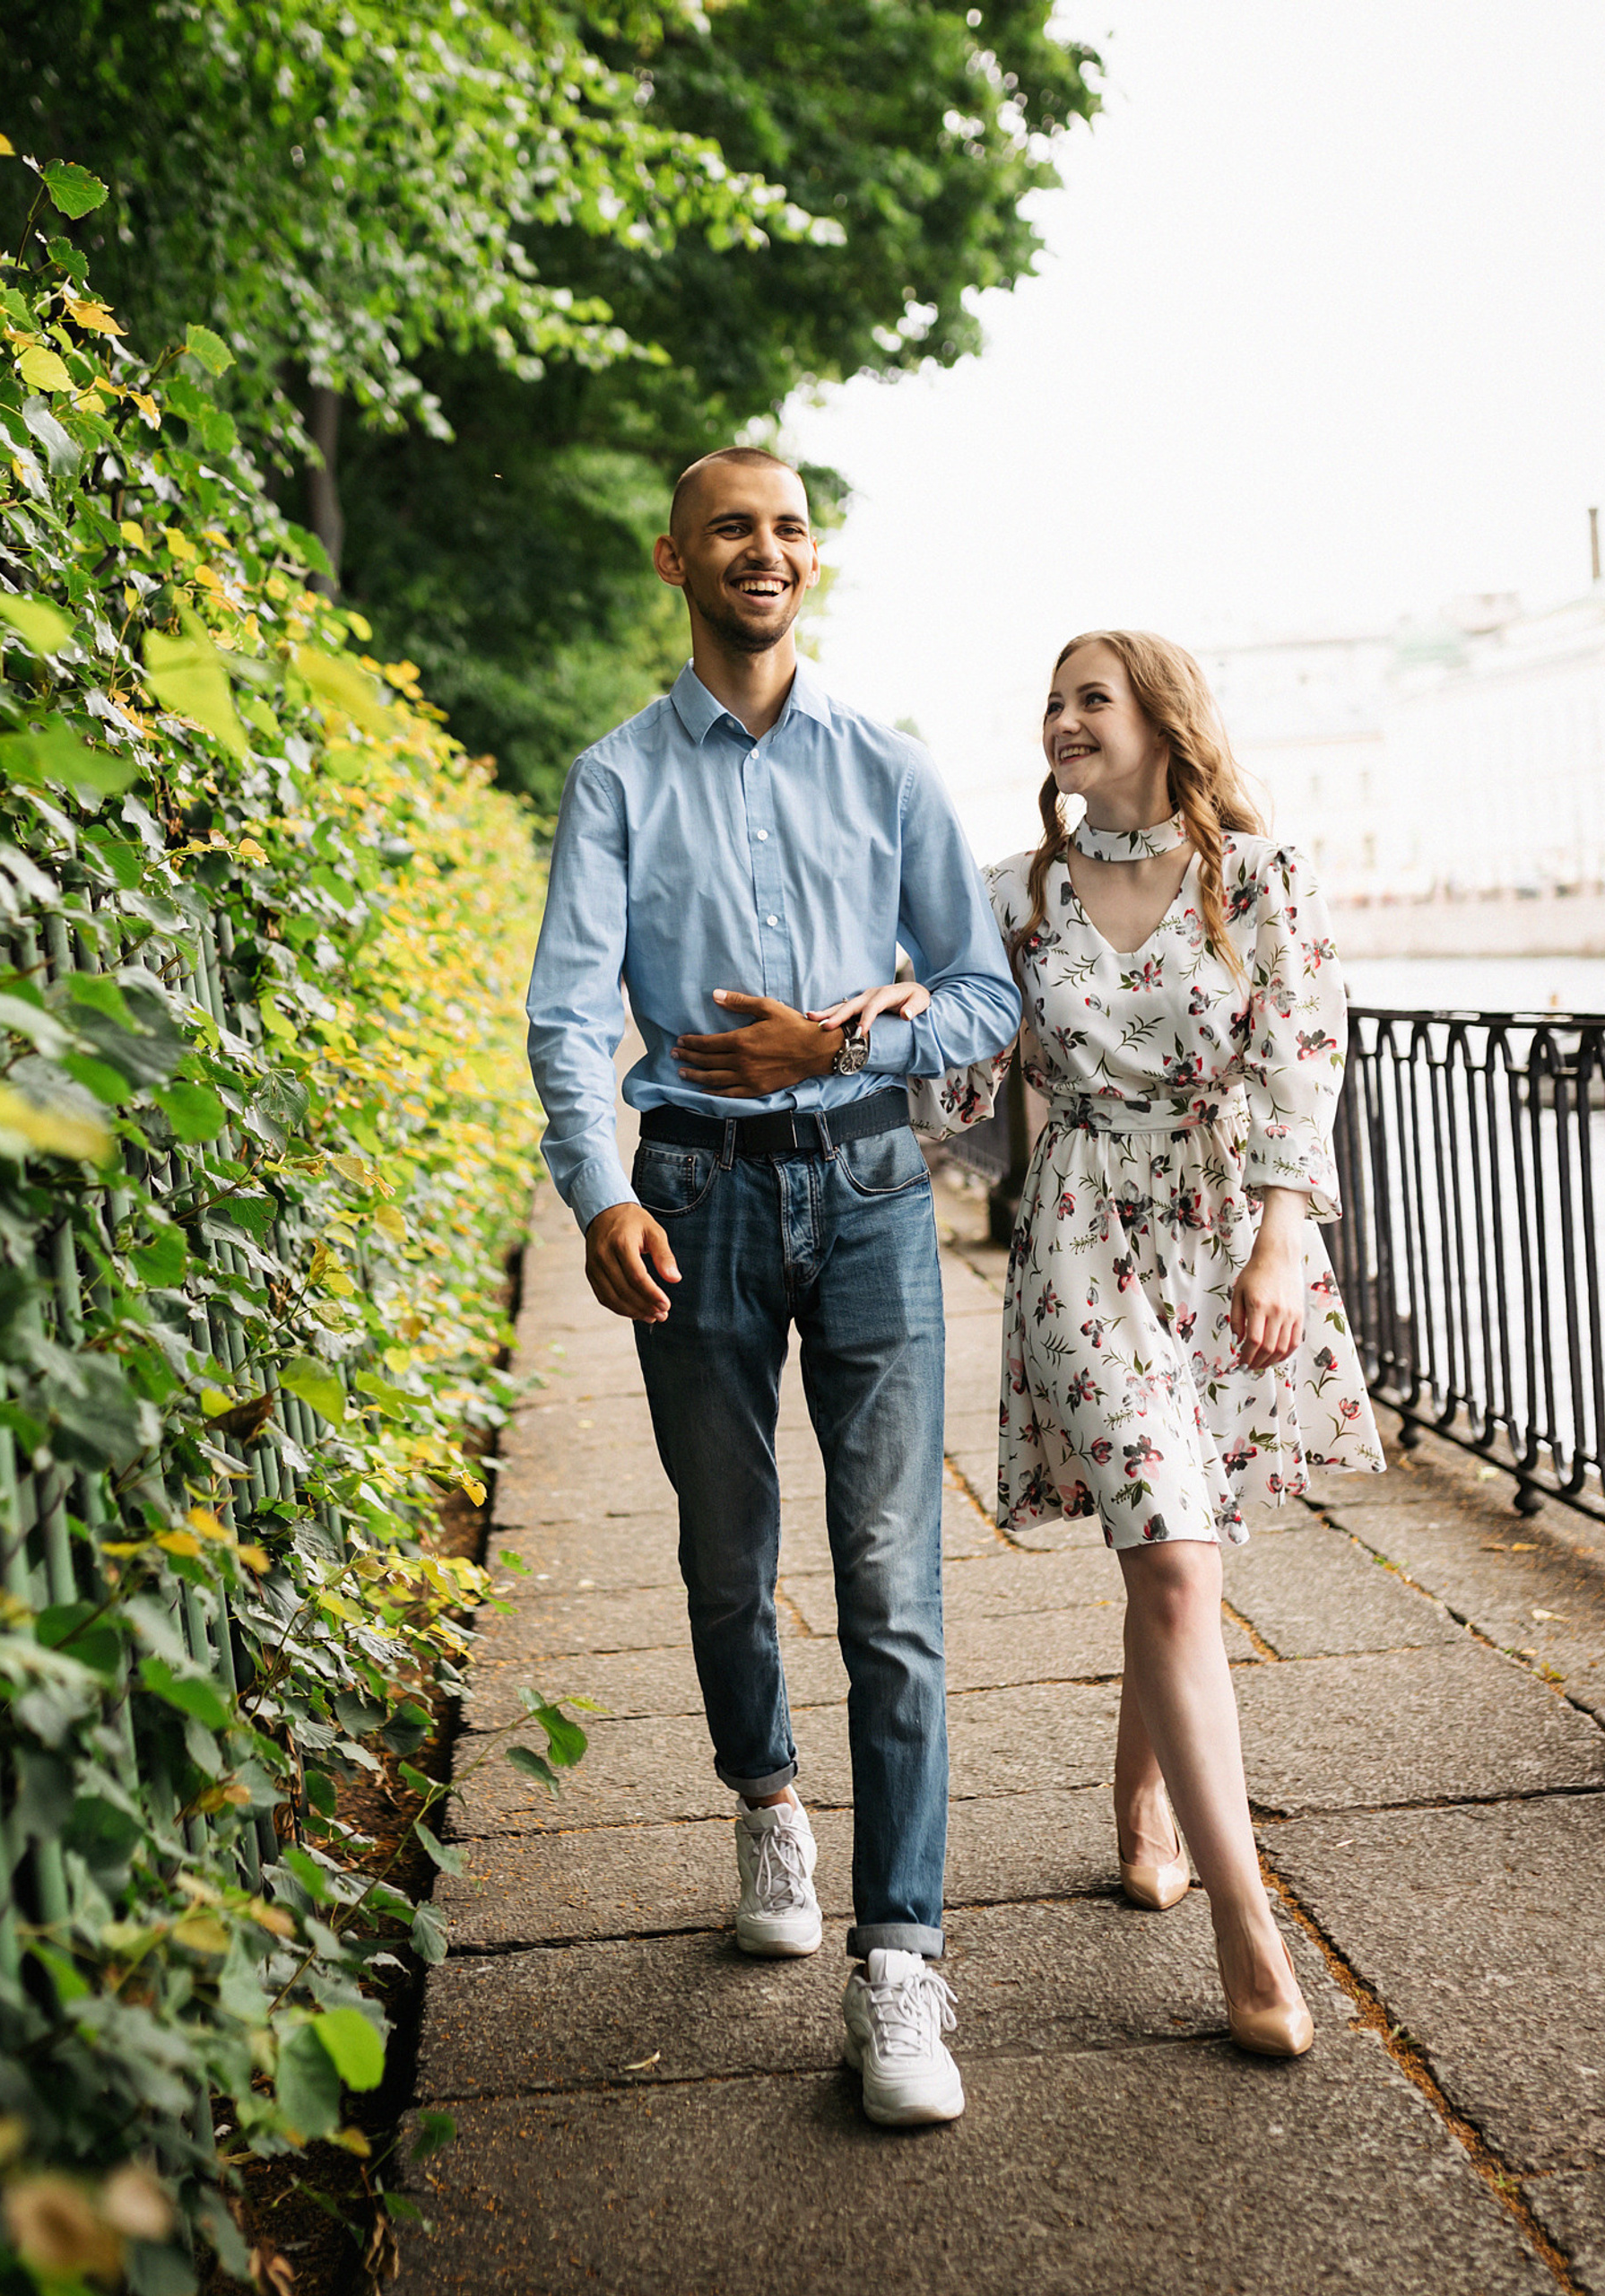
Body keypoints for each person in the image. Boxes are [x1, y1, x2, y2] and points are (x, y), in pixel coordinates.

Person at [525, 448, 1019, 2126]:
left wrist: (845, 1042)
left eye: (790, 527)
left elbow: (982, 993)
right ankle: (766, 1799)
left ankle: (902, 1963)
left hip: (872, 1190)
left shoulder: (890, 765)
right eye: (734, 527)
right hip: (692, 1200)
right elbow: (568, 1014)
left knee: (890, 1580)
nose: (767, 549)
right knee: (727, 1550)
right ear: (678, 560)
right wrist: (599, 1191)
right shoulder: (615, 780)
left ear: (814, 561)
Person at [827, 630, 1384, 2057]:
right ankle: (1250, 1929)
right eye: (1054, 701)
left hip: (1226, 1230)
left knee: (1175, 1544)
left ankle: (1145, 1793)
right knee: (1177, 1558)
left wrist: (1280, 1242)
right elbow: (966, 1090)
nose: (1063, 720)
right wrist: (913, 1011)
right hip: (1080, 1232)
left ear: (1161, 719)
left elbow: (1302, 1063)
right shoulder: (1014, 897)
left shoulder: (1256, 876)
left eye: (1093, 699)